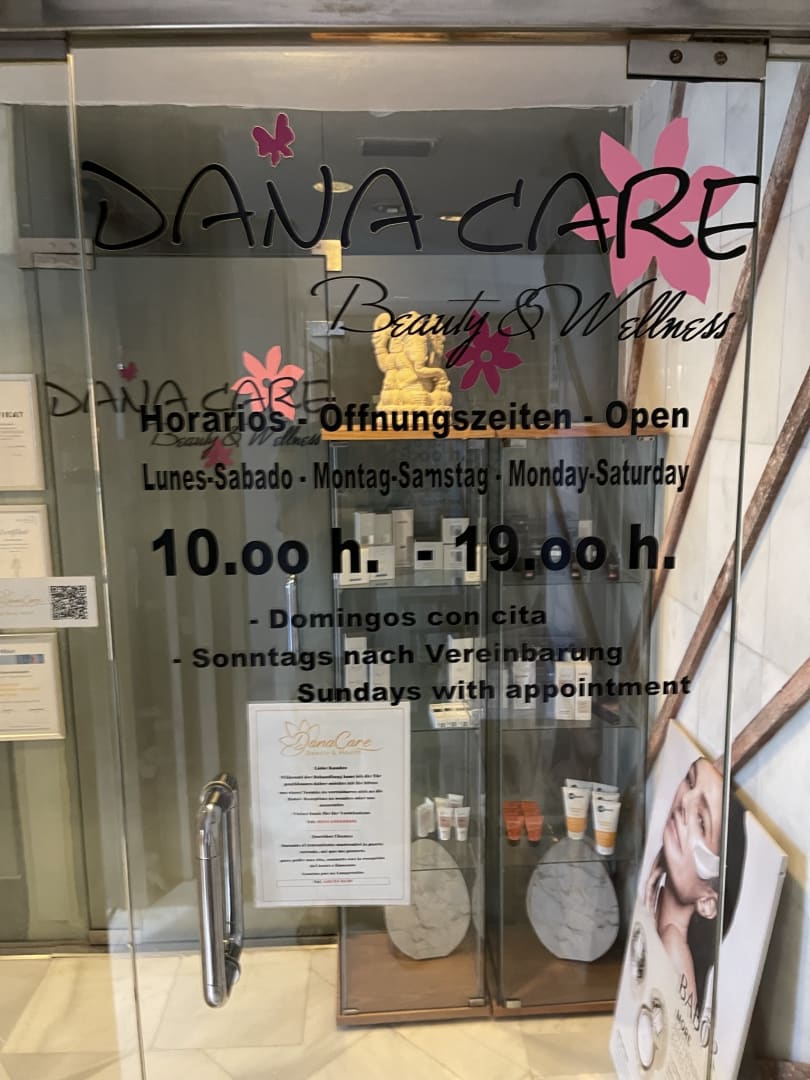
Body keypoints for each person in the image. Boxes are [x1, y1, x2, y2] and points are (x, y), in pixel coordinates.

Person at [644, 757, 747, 1016]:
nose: (685, 801)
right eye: (690, 781)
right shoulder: (658, 913)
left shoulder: (674, 948)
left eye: (701, 821)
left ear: (707, 902)